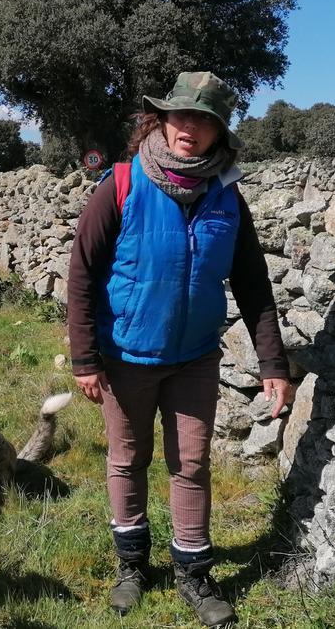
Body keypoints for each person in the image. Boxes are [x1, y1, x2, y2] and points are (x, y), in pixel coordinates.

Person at [66, 72, 295, 627]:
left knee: (190, 463)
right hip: (126, 356)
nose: (190, 127)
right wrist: (85, 358)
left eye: (205, 119)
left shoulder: (226, 196)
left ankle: (193, 572)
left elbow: (252, 283)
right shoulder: (119, 185)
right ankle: (132, 565)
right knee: (127, 459)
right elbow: (82, 273)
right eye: (181, 116)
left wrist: (273, 363)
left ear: (220, 132)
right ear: (161, 120)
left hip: (195, 356)